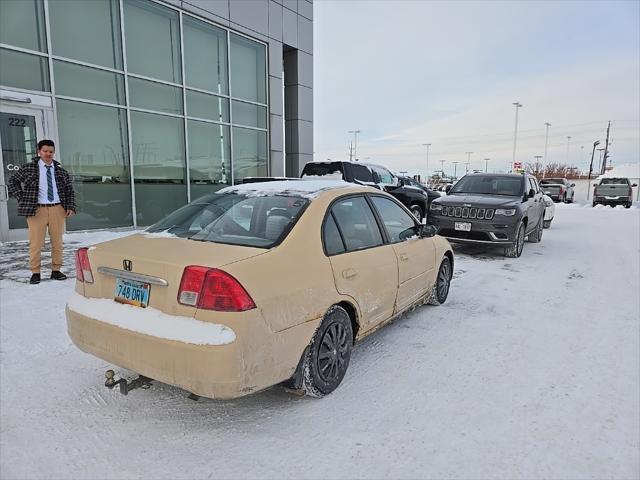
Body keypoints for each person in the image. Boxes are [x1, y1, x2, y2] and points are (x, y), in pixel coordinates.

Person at [7, 139, 76, 284]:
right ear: (39, 151)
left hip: (58, 209)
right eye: (45, 151)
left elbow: (69, 190)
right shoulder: (29, 168)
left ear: (53, 152)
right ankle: (35, 272)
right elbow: (12, 182)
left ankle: (56, 270)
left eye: (51, 151)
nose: (48, 154)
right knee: (36, 243)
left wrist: (70, 206)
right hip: (36, 209)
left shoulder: (61, 171)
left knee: (57, 242)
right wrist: (22, 198)